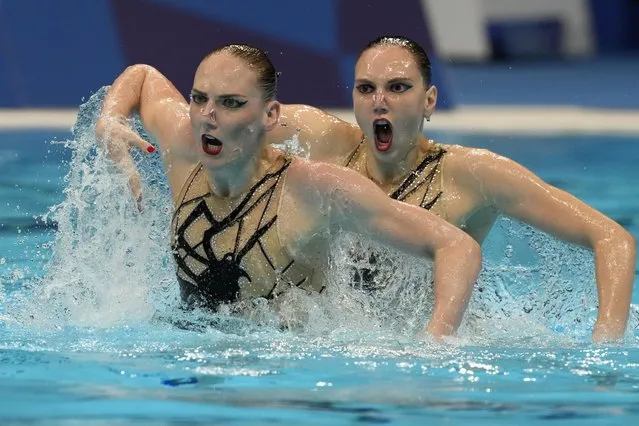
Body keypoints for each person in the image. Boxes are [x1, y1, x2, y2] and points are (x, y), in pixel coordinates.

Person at [263, 36, 636, 343]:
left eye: (398, 88)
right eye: (366, 89)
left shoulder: (471, 173)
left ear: (429, 101)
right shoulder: (323, 141)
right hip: (326, 339)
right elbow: (230, 121)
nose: (379, 102)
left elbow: (612, 238)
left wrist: (604, 345)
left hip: (431, 348)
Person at [94, 43, 482, 338]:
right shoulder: (184, 147)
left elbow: (456, 246)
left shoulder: (312, 189)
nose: (208, 115)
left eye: (231, 103)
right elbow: (143, 76)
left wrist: (436, 344)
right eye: (199, 99)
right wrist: (110, 120)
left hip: (287, 377)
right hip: (191, 355)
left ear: (270, 116)